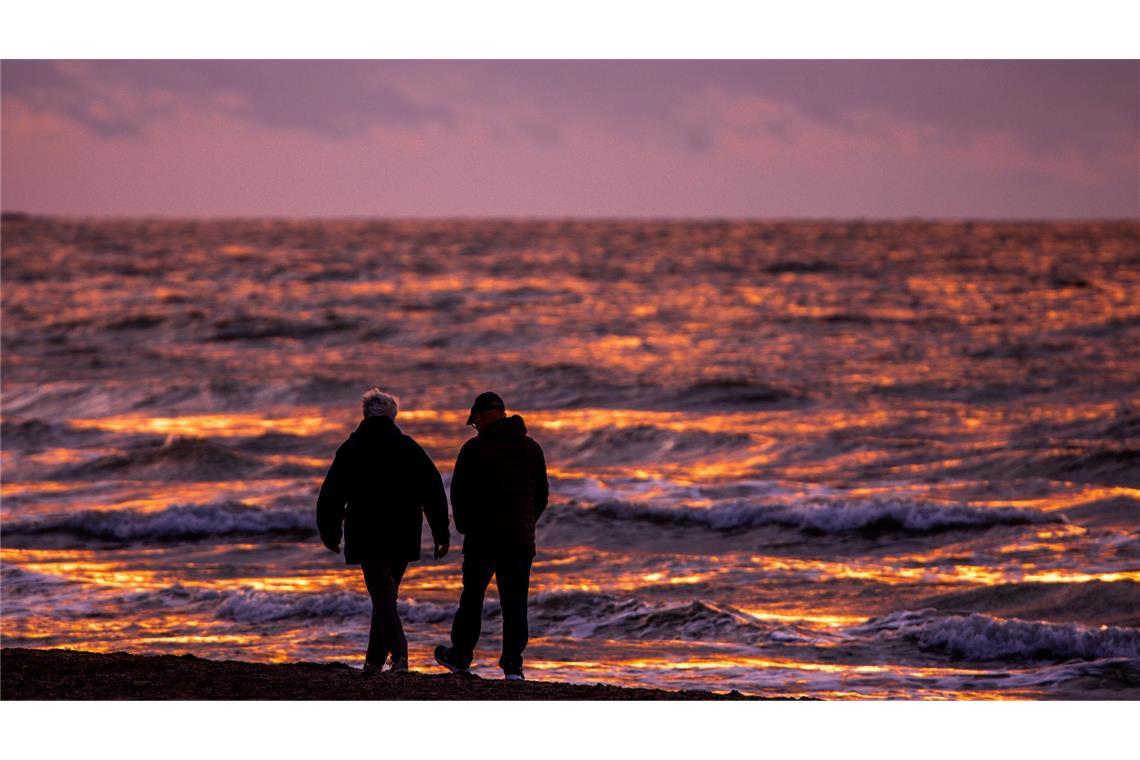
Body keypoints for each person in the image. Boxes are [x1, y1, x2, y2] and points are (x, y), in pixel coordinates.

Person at [316, 387, 450, 673]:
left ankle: (399, 655)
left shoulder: (351, 448)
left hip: (366, 532)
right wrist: (441, 533)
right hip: (403, 532)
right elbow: (433, 489)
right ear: (393, 416)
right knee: (386, 594)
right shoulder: (408, 447)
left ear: (365, 415)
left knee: (383, 594)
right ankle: (374, 662)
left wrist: (330, 532)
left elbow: (331, 494)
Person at [434, 392, 549, 681]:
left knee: (472, 599)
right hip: (520, 542)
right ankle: (513, 667)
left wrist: (464, 527)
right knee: (515, 604)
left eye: (475, 421)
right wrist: (525, 522)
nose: (475, 427)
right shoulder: (531, 449)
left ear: (483, 417)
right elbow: (542, 496)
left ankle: (460, 657)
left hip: (482, 540)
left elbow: (458, 495)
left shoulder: (474, 450)